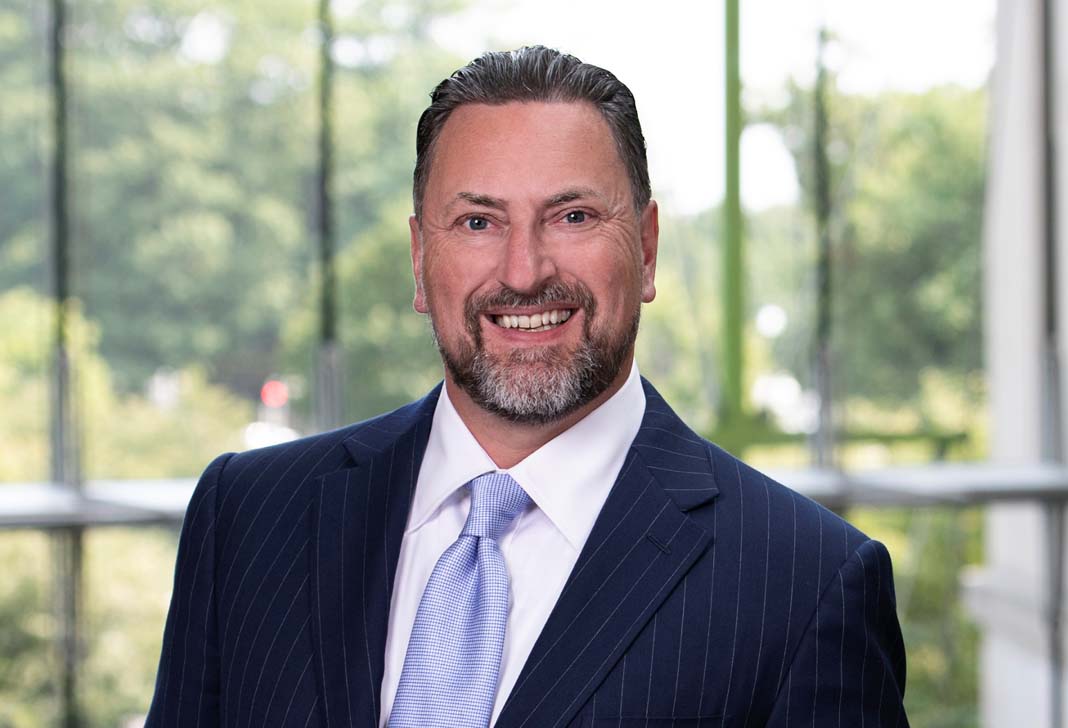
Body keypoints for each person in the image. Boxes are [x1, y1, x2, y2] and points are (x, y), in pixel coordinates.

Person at [146, 46, 908, 728]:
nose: (522, 272)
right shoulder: (248, 518)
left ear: (646, 249)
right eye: (477, 223)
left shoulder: (806, 584)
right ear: (420, 258)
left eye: (572, 216)